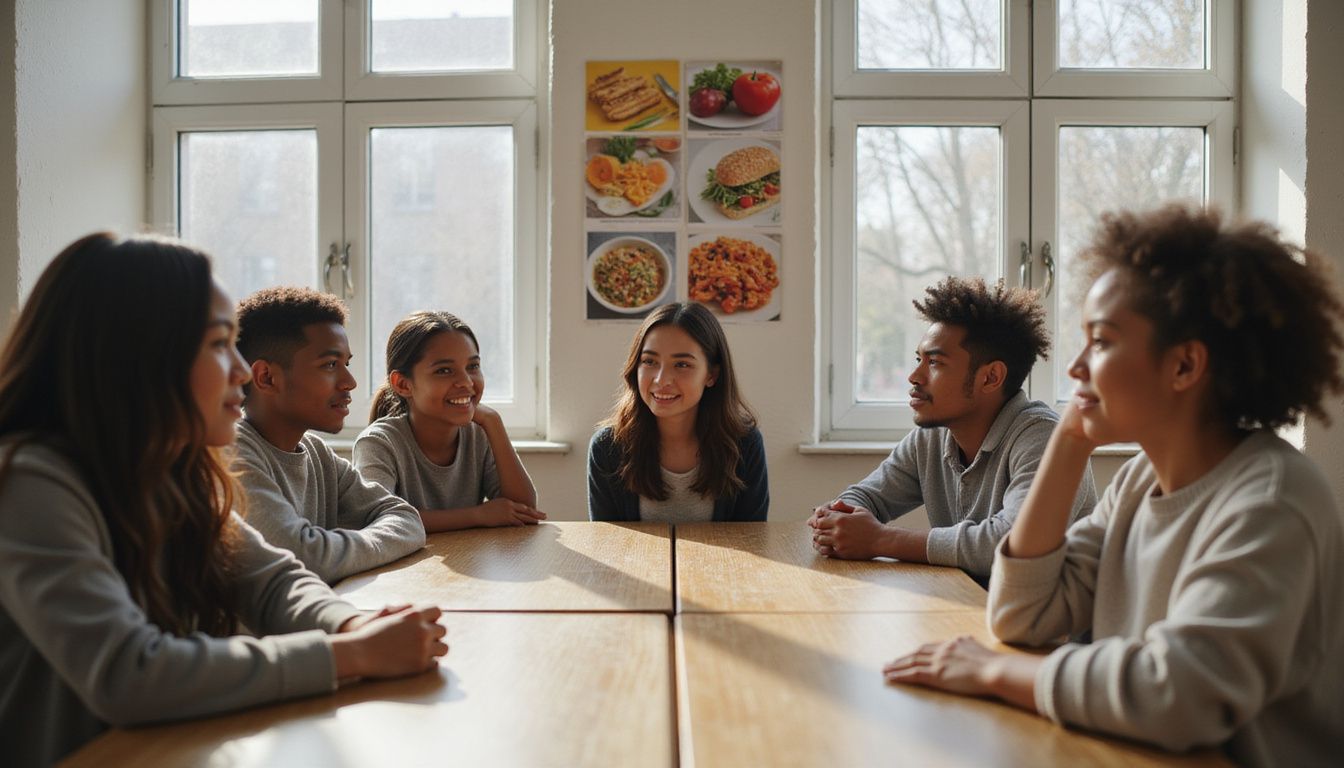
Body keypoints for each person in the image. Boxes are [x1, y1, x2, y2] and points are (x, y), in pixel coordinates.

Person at [883, 206, 1344, 766]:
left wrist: (995, 670)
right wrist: (1069, 444)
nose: (1076, 367)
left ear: (1184, 366)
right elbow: (1023, 614)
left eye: (1100, 342)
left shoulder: (1270, 500)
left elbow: (1180, 695)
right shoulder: (1138, 482)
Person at [0, 234, 447, 766]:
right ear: (138, 354)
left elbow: (271, 581)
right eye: (218, 345)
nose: (240, 370)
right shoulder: (29, 480)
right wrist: (348, 653)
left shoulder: (176, 472)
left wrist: (351, 624)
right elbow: (127, 674)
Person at [809, 277, 1097, 579]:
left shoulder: (1044, 437)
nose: (914, 376)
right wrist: (836, 518)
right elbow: (867, 497)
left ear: (990, 378)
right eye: (919, 359)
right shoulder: (931, 437)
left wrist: (880, 539)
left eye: (934, 363)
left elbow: (1012, 542)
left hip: (1053, 623)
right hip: (968, 607)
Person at [234, 287, 425, 583]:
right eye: (330, 365)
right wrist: (326, 551)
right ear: (267, 377)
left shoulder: (317, 453)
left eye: (346, 364)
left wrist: (326, 548)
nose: (350, 382)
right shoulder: (231, 454)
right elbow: (302, 557)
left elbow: (407, 518)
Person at [354, 311, 543, 531]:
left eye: (473, 367)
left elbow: (523, 510)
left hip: (464, 560)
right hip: (405, 565)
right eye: (444, 371)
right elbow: (377, 518)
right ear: (403, 384)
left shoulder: (479, 433)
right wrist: (477, 516)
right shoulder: (378, 443)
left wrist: (495, 423)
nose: (465, 382)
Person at [588, 302, 768, 522]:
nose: (661, 379)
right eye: (649, 361)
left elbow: (751, 540)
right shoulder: (607, 448)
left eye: (682, 364)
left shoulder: (745, 444)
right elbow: (607, 545)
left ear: (711, 374)